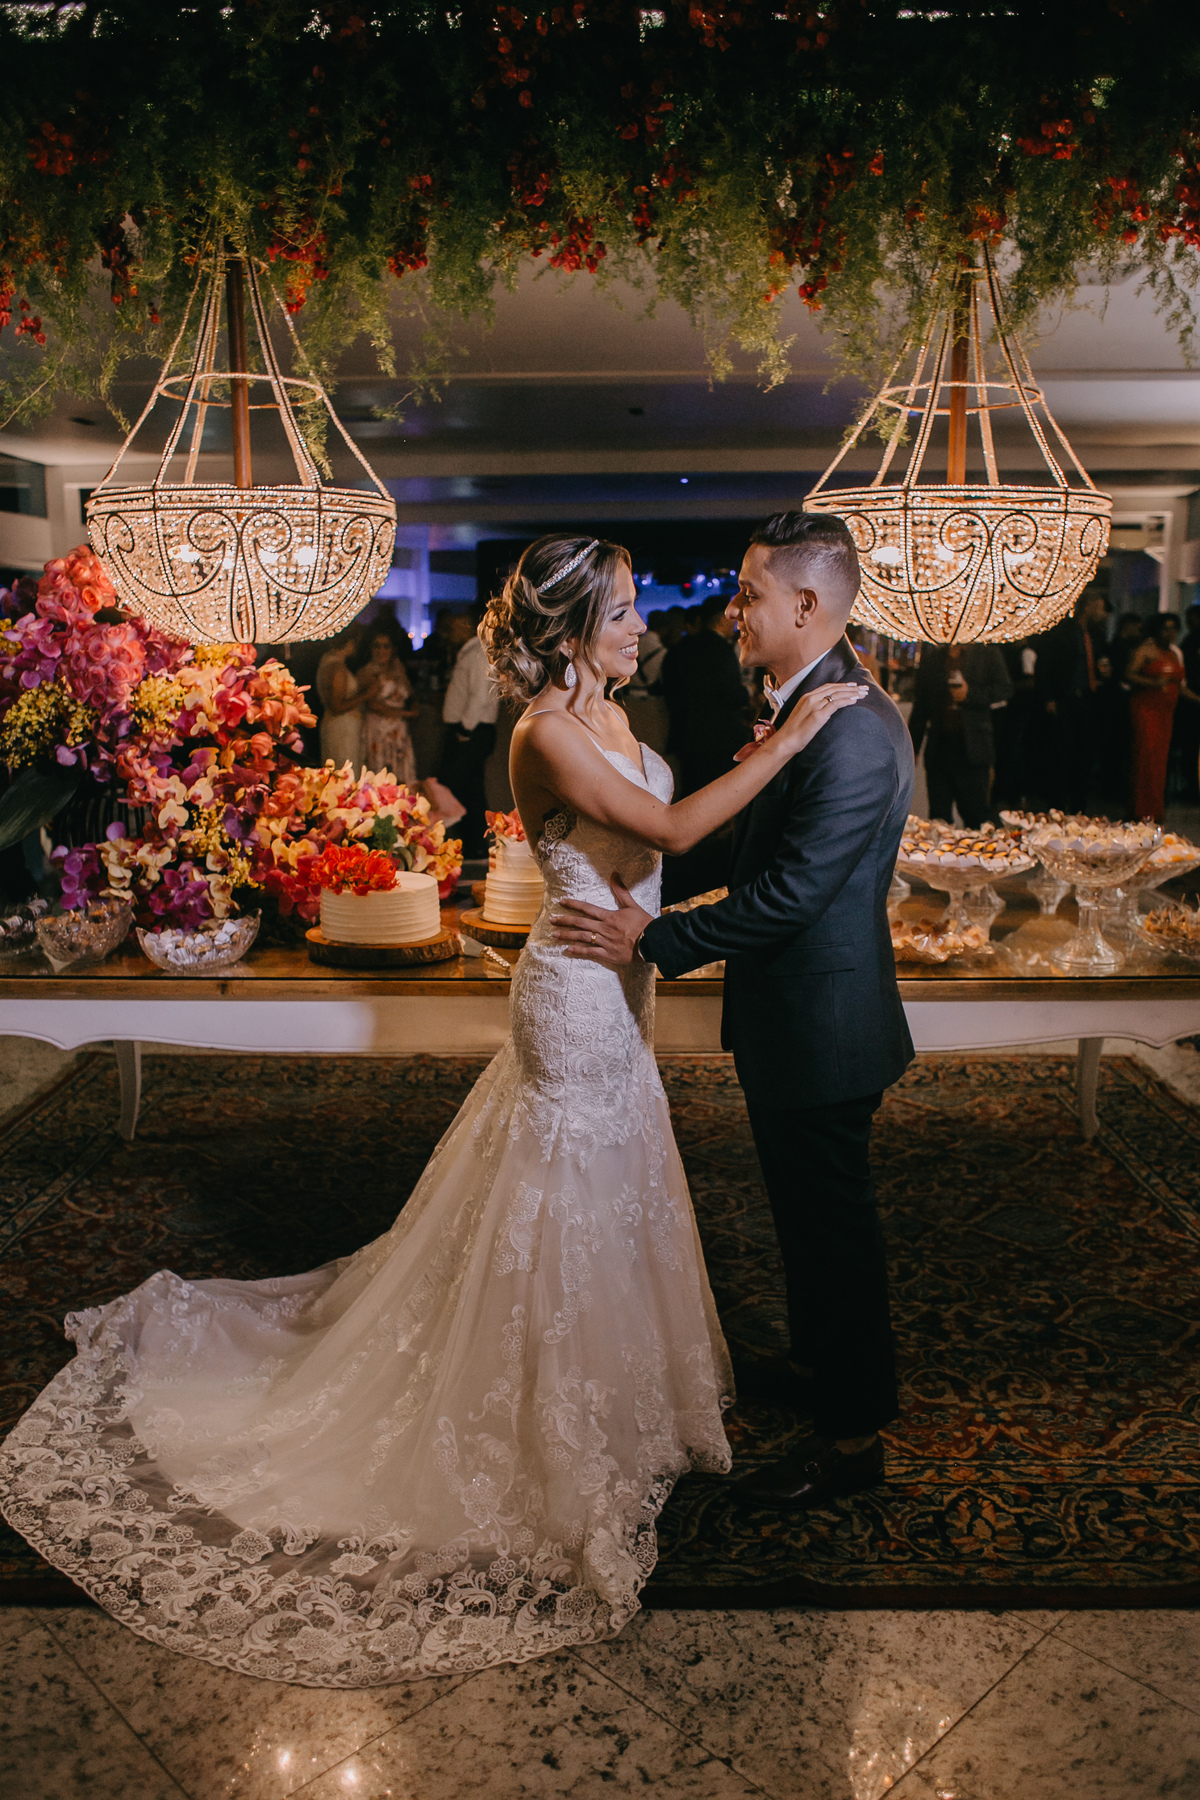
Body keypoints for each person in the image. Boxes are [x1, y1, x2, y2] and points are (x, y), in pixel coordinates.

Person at [0, 532, 861, 1685]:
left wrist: (685, 899)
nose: (641, 627)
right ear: (570, 631)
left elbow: (655, 845)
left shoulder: (613, 716)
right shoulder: (545, 733)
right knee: (565, 1192)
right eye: (620, 613)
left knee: (619, 1182)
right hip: (571, 994)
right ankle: (544, 1432)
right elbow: (664, 833)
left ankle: (618, 1405)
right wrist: (792, 740)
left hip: (624, 986)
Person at [554, 510, 915, 1514]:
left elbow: (792, 894)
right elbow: (754, 850)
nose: (733, 613)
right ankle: (820, 1369)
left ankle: (850, 1442)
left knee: (833, 1237)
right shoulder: (809, 706)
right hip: (799, 1019)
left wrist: (654, 939)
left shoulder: (852, 729)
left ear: (806, 603)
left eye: (750, 595)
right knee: (808, 1224)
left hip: (824, 1028)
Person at [908, 641, 1013, 826]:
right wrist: (911, 748)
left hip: (973, 748)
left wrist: (970, 694)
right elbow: (921, 707)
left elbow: (1005, 689)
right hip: (940, 749)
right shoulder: (933, 658)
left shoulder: (986, 654)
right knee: (939, 819)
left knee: (976, 816)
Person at [661, 591, 751, 795]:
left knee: (691, 792)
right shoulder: (722, 649)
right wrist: (747, 693)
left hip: (686, 736)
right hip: (721, 738)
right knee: (721, 795)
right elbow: (730, 693)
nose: (734, 625)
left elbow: (670, 693)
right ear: (721, 620)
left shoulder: (679, 649)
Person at [1034, 587, 1108, 812]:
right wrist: (1048, 697)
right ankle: (1057, 803)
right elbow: (1044, 666)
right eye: (1099, 608)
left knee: (1085, 752)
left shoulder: (1096, 634)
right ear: (1088, 606)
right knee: (1062, 753)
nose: (1102, 613)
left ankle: (1079, 803)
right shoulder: (1062, 632)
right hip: (1065, 698)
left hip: (1087, 699)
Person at [442, 605, 500, 856]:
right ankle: (474, 846)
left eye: (455, 626)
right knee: (470, 788)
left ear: (468, 626)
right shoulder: (471, 651)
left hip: (473, 730)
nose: (449, 630)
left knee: (456, 786)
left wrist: (465, 729)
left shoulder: (478, 653)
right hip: (471, 729)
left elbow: (480, 695)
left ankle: (474, 845)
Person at [1127, 613, 1196, 821]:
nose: (1170, 633)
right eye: (1166, 628)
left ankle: (1155, 810)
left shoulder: (1175, 653)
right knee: (1145, 760)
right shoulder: (1146, 650)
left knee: (1160, 762)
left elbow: (1181, 686)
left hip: (1167, 714)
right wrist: (1153, 683)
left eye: (1174, 628)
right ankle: (1140, 811)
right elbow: (1128, 674)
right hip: (1147, 711)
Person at [354, 616, 418, 783]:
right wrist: (408, 714)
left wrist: (413, 707)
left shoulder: (398, 668)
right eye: (377, 646)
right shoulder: (367, 672)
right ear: (370, 648)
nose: (381, 650)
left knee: (402, 776)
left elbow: (410, 694)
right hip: (378, 729)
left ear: (393, 649)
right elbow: (372, 705)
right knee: (380, 776)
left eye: (385, 646)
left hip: (399, 729)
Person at [315, 622, 366, 772]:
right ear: (350, 642)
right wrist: (366, 694)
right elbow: (337, 706)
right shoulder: (337, 667)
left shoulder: (327, 660)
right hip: (343, 727)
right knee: (345, 772)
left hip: (336, 725)